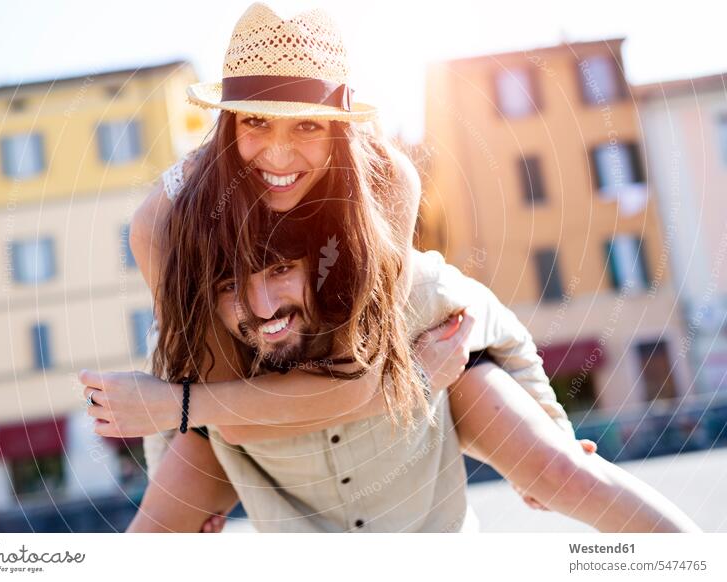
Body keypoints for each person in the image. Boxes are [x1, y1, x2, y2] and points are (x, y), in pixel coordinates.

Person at [78, 3, 698, 532]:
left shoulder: (384, 182)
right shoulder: (164, 225)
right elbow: (234, 418)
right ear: (227, 120)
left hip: (418, 356)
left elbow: (371, 371)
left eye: (310, 126)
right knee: (154, 537)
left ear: (343, 127)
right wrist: (177, 426)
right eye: (257, 121)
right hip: (272, 408)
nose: (279, 154)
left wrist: (174, 408)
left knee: (565, 473)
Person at [81, 211, 700, 532]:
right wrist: (177, 498)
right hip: (290, 507)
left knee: (539, 439)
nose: (263, 307)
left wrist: (552, 433)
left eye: (279, 272)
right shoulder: (196, 337)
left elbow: (492, 321)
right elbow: (167, 396)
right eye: (232, 286)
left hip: (421, 488)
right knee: (157, 525)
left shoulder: (403, 287)